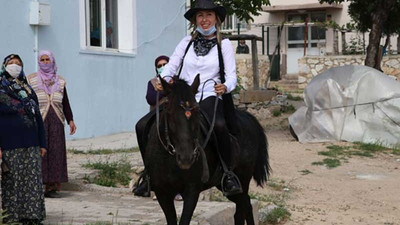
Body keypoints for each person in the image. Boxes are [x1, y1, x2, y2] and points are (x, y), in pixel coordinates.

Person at [134, 0, 242, 197]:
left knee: (218, 125)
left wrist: (225, 86)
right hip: (182, 96)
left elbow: (232, 75)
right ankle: (149, 175)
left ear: (216, 19)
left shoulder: (223, 44)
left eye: (209, 15)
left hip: (209, 94)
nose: (205, 19)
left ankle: (227, 174)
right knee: (142, 125)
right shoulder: (186, 43)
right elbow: (172, 66)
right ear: (195, 20)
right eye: (200, 15)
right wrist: (163, 80)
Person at [0, 54, 47, 224]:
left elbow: (38, 118)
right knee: (12, 182)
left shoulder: (28, 89)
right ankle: (11, 217)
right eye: (11, 63)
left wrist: (43, 143)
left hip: (31, 144)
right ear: (4, 66)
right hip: (9, 144)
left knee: (32, 181)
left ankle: (32, 216)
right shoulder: (0, 88)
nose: (15, 66)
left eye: (18, 64)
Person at [27, 50, 76, 198]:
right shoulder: (31, 80)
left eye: (47, 59)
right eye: (42, 59)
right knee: (39, 152)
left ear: (52, 60)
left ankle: (52, 187)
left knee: (56, 152)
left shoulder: (60, 81)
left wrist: (71, 120)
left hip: (56, 120)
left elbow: (65, 102)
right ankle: (37, 185)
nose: (45, 62)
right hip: (38, 120)